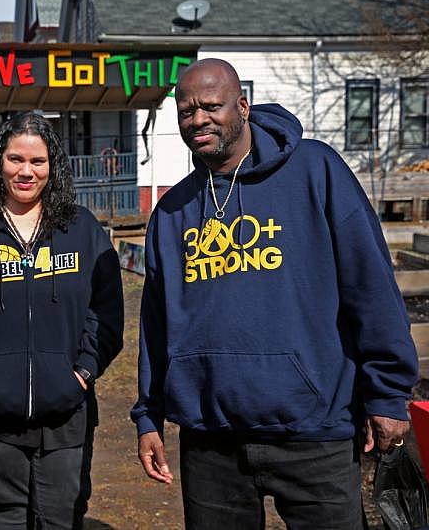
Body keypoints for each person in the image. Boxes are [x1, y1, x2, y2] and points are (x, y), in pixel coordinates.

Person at [131, 58, 419, 529]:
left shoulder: (315, 170)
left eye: (211, 106)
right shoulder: (171, 212)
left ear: (242, 106)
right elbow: (156, 323)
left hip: (314, 431)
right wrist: (149, 415)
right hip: (210, 440)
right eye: (186, 111)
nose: (198, 119)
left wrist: (387, 395)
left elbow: (369, 286)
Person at [0, 112, 124, 529]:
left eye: (37, 161)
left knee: (62, 517)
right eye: (15, 159)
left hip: (67, 411)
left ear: (52, 166)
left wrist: (81, 372)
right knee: (6, 515)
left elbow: (107, 311)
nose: (26, 171)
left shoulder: (80, 227)